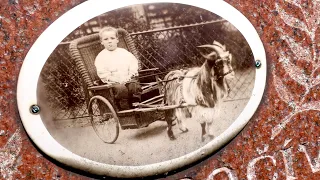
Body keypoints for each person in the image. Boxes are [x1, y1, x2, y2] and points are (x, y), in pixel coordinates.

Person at [94, 26, 142, 110]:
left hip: (128, 78)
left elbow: (133, 64)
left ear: (117, 40)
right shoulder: (101, 57)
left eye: (112, 38)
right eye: (106, 39)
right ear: (101, 42)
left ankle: (136, 103)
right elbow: (103, 73)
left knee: (134, 86)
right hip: (114, 82)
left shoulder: (124, 52)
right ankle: (125, 107)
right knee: (121, 89)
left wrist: (130, 75)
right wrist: (116, 79)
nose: (109, 41)